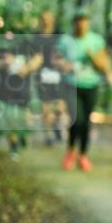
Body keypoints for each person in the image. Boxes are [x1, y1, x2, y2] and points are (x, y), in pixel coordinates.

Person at [57, 12, 112, 172]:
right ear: (74, 22)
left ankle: (83, 154)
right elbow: (56, 60)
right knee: (77, 120)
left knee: (86, 122)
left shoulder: (96, 41)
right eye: (78, 20)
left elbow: (104, 64)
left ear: (88, 22)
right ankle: (70, 151)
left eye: (84, 20)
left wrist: (94, 57)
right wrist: (63, 65)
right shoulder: (66, 41)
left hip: (91, 86)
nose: (81, 24)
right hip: (71, 85)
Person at [0, 28, 39, 157]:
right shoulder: (0, 43)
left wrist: (27, 67)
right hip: (5, 88)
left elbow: (38, 58)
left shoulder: (27, 42)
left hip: (23, 88)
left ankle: (22, 135)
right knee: (9, 118)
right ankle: (13, 146)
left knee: (23, 117)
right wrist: (4, 63)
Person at [32, 11, 68, 146]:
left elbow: (66, 53)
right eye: (44, 18)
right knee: (45, 107)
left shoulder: (60, 36)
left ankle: (57, 127)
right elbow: (32, 55)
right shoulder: (35, 37)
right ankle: (48, 136)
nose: (46, 21)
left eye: (49, 18)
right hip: (42, 75)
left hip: (59, 75)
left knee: (60, 107)